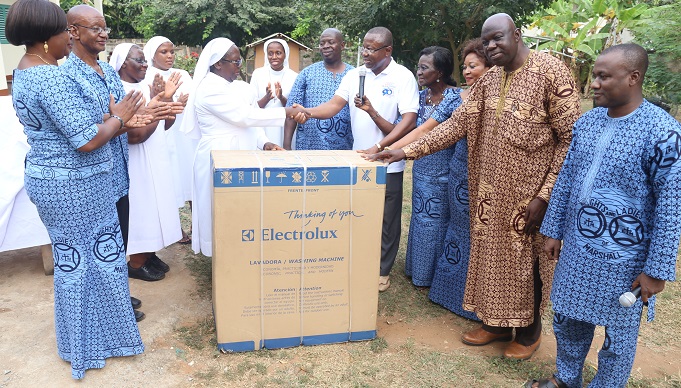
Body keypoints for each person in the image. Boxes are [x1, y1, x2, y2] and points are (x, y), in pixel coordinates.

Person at [367, 13, 581, 359]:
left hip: (531, 196)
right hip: (487, 192)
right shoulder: (491, 79)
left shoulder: (551, 72)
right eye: (487, 42)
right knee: (490, 258)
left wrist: (546, 195)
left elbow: (571, 140)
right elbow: (457, 124)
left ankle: (528, 333)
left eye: (498, 38)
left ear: (517, 33)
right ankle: (495, 324)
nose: (492, 47)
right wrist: (404, 151)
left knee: (524, 263)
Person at [6, 0, 147, 378]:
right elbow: (85, 140)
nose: (67, 39)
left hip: (59, 181)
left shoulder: (26, 71)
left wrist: (116, 116)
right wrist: (120, 117)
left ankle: (92, 339)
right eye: (62, 32)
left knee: (83, 262)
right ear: (46, 37)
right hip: (74, 185)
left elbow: (71, 121)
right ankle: (86, 346)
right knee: (86, 264)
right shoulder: (49, 76)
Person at [528, 44, 681, 388]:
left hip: (625, 260)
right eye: (594, 75)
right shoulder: (588, 123)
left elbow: (671, 207)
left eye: (603, 76)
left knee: (618, 336)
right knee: (567, 319)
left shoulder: (663, 132)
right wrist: (553, 230)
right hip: (578, 251)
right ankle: (567, 379)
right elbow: (567, 177)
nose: (594, 83)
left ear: (633, 78)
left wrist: (656, 271)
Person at [62, 5, 176, 314]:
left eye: (105, 29)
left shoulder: (107, 72)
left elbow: (123, 118)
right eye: (95, 28)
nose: (103, 34)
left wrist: (152, 110)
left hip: (117, 173)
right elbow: (89, 130)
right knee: (97, 247)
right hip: (92, 175)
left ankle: (115, 298)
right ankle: (106, 307)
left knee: (116, 245)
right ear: (73, 31)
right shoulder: (68, 76)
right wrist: (124, 118)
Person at [293, 26, 419, 292]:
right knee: (358, 215)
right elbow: (334, 105)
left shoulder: (402, 77)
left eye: (372, 49)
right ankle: (359, 261)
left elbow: (409, 120)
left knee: (387, 220)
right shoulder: (355, 75)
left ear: (388, 51)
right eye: (364, 47)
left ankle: (383, 270)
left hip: (388, 160)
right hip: (358, 159)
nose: (366, 53)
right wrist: (308, 111)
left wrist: (379, 146)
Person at [390, 39, 491, 317]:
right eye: (467, 66)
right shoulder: (458, 99)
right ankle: (431, 279)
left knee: (457, 230)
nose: (469, 71)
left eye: (475, 65)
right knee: (432, 224)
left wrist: (398, 151)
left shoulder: (461, 97)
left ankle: (470, 296)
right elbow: (426, 131)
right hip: (440, 169)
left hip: (469, 175)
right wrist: (395, 150)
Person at [179, 38, 306, 257]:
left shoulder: (235, 86)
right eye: (235, 62)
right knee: (221, 212)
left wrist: (264, 143)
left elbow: (250, 124)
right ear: (218, 63)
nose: (239, 66)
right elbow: (245, 117)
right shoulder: (209, 88)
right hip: (219, 154)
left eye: (240, 61)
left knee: (242, 210)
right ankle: (224, 259)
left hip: (241, 153)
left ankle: (241, 256)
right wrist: (288, 112)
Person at [357, 46, 462, 287]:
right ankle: (419, 272)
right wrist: (372, 113)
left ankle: (437, 277)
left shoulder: (455, 98)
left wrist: (385, 150)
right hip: (422, 171)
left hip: (445, 172)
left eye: (425, 68)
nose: (419, 72)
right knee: (421, 220)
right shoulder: (421, 96)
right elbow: (402, 129)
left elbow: (423, 132)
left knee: (439, 223)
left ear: (441, 72)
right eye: (419, 66)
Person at [110, 43, 184, 281]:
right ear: (122, 63)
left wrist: (167, 104)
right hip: (136, 162)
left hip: (155, 155)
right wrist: (156, 109)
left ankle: (149, 253)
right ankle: (137, 260)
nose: (144, 65)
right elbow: (135, 136)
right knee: (142, 208)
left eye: (145, 61)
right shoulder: (119, 90)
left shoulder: (146, 85)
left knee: (157, 205)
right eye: (138, 60)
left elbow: (164, 125)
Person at [143, 36, 197, 240]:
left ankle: (196, 224)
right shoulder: (149, 75)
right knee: (172, 178)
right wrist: (172, 101)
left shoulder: (182, 73)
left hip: (185, 133)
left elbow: (193, 98)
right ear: (152, 55)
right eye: (163, 52)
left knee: (189, 177)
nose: (169, 56)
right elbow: (151, 103)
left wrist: (184, 102)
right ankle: (177, 229)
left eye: (172, 51)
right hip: (165, 133)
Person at [283, 28, 353, 150]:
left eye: (331, 42)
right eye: (322, 43)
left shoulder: (354, 74)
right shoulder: (307, 73)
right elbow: (292, 111)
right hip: (309, 147)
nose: (325, 46)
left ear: (342, 45)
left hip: (345, 149)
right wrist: (287, 146)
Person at [249, 38, 298, 146]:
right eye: (270, 53)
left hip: (285, 129)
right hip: (263, 127)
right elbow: (252, 108)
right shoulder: (258, 74)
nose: (274, 57)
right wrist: (267, 97)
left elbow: (295, 110)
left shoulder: (294, 76)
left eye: (278, 53)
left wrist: (281, 97)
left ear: (285, 54)